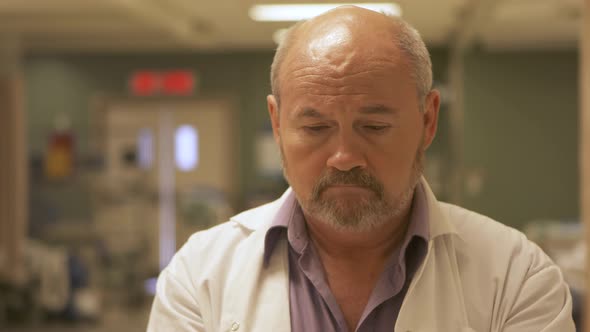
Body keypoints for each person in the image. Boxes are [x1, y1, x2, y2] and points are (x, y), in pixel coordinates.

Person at [147, 6, 574, 331]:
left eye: (374, 126)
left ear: (428, 121)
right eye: (315, 127)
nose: (344, 155)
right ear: (277, 125)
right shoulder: (199, 277)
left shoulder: (517, 277)